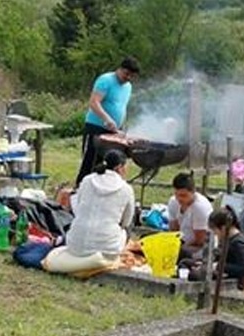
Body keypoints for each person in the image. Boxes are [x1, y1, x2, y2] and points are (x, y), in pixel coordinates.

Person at [74, 57, 140, 187]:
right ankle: (81, 188)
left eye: (132, 76)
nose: (128, 78)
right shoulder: (106, 80)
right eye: (126, 74)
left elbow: (122, 107)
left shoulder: (128, 87)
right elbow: (94, 102)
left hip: (114, 131)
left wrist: (123, 126)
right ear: (120, 69)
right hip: (96, 127)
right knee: (91, 162)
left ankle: (104, 190)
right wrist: (107, 119)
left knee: (110, 163)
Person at [66, 149, 136, 258]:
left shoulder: (87, 180)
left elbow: (79, 206)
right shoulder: (126, 189)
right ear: (119, 168)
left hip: (74, 245)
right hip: (107, 250)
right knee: (128, 226)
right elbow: (126, 222)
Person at [189, 206, 244, 289]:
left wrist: (218, 266)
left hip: (231, 278)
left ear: (223, 228)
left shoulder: (238, 243)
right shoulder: (225, 239)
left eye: (215, 230)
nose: (215, 233)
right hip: (219, 271)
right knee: (186, 262)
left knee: (194, 275)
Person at [167, 173, 213, 258]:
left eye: (183, 195)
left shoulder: (200, 208)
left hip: (199, 248)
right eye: (177, 195)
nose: (179, 199)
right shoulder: (173, 201)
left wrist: (179, 248)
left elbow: (200, 241)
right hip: (181, 241)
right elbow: (173, 230)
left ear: (193, 192)